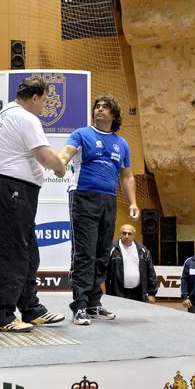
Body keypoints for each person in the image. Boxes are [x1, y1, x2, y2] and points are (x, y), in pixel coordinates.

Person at [0, 76, 67, 332]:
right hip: (14, 191)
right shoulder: (26, 118)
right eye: (44, 100)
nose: (44, 106)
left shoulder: (2, 116)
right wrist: (60, 166)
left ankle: (31, 308)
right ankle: (2, 316)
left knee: (29, 254)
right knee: (12, 255)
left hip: (13, 191)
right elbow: (44, 156)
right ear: (34, 97)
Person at [58, 94, 138, 326]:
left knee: (102, 253)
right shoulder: (82, 134)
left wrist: (133, 202)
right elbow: (66, 152)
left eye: (105, 107)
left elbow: (127, 176)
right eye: (97, 106)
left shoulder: (122, 144)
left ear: (114, 115)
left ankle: (94, 303)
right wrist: (60, 162)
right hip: (83, 197)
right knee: (84, 253)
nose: (99, 109)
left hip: (108, 201)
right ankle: (80, 306)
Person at [106, 224, 158, 303]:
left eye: (129, 234)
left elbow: (150, 272)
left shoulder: (142, 250)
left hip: (138, 292)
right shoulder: (112, 250)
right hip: (117, 292)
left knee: (138, 311)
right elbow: (104, 271)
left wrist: (152, 293)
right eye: (124, 233)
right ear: (120, 234)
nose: (127, 236)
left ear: (134, 235)